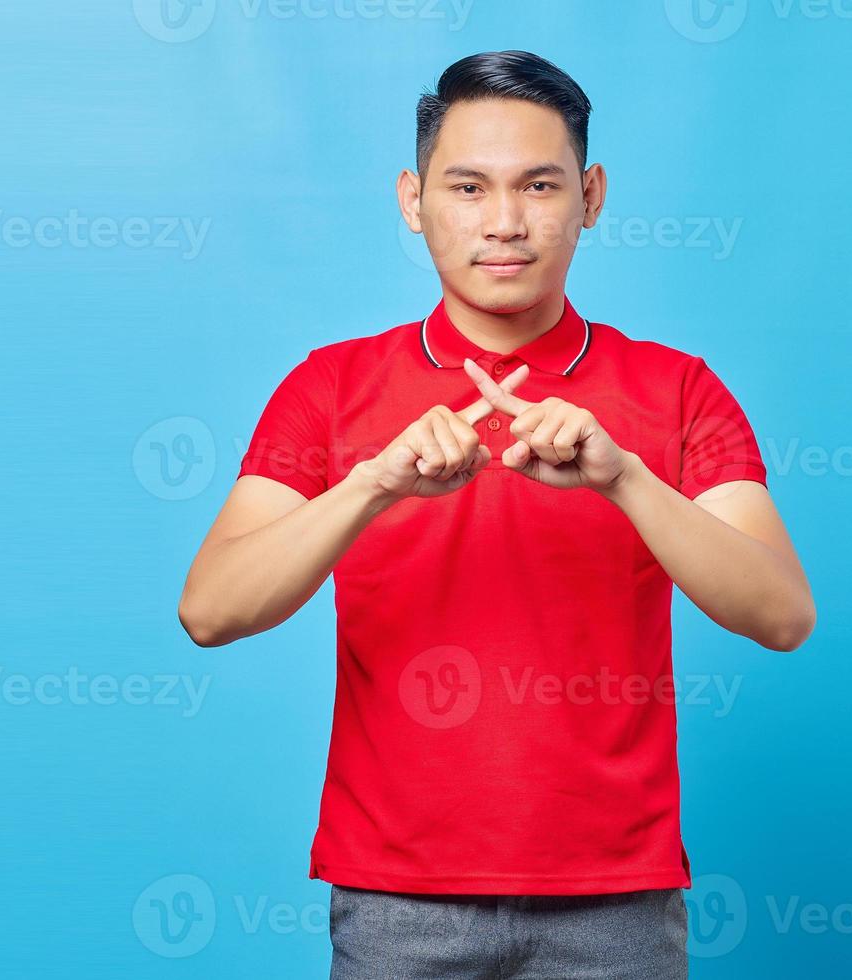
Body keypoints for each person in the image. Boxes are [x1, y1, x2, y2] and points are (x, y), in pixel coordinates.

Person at [179, 49, 815, 979]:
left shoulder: (676, 389)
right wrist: (371, 485)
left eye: (541, 185)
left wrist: (627, 480)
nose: (506, 222)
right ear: (413, 199)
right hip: (397, 898)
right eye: (468, 187)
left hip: (618, 901)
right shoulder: (330, 388)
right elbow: (211, 610)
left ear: (591, 195)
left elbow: (782, 614)